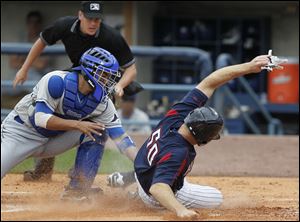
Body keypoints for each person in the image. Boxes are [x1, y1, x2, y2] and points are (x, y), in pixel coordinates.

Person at [107, 53, 285, 219]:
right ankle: (139, 196)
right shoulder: (179, 152)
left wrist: (249, 66)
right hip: (153, 195)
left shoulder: (177, 116)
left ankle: (131, 180)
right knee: (216, 197)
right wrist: (180, 210)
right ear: (203, 140)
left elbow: (210, 82)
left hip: (143, 169)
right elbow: (158, 188)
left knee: (169, 170)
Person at [13, 1, 140, 182]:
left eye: (97, 19)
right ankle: (43, 170)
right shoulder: (65, 25)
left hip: (105, 82)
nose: (93, 23)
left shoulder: (111, 36)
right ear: (80, 15)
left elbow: (131, 69)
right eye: (89, 18)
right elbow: (42, 41)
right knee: (55, 110)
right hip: (78, 74)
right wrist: (24, 69)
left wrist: (119, 86)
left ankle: (80, 176)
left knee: (99, 127)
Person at [1, 47, 139, 201]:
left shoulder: (103, 103)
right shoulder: (56, 81)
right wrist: (78, 125)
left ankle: (77, 191)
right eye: (104, 74)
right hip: (21, 133)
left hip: (52, 140)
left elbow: (121, 138)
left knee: (97, 131)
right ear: (90, 70)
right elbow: (41, 119)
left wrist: (142, 163)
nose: (108, 81)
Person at [7, 11, 52, 94]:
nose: (33, 25)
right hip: (20, 75)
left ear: (40, 24)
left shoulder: (45, 40)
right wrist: (33, 61)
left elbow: (41, 65)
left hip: (38, 77)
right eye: (31, 22)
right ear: (27, 23)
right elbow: (13, 63)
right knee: (6, 87)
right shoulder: (22, 40)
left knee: (40, 89)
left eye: (36, 22)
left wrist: (22, 59)